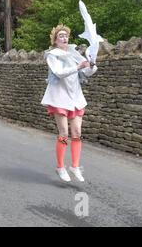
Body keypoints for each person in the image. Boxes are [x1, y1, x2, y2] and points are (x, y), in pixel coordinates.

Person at [41, 24, 98, 183]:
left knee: (77, 132)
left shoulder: (73, 53)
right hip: (59, 97)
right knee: (64, 132)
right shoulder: (52, 55)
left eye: (66, 35)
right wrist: (77, 67)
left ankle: (75, 166)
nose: (64, 38)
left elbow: (86, 72)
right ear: (55, 39)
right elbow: (59, 73)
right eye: (61, 36)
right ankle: (60, 167)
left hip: (75, 97)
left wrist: (91, 65)